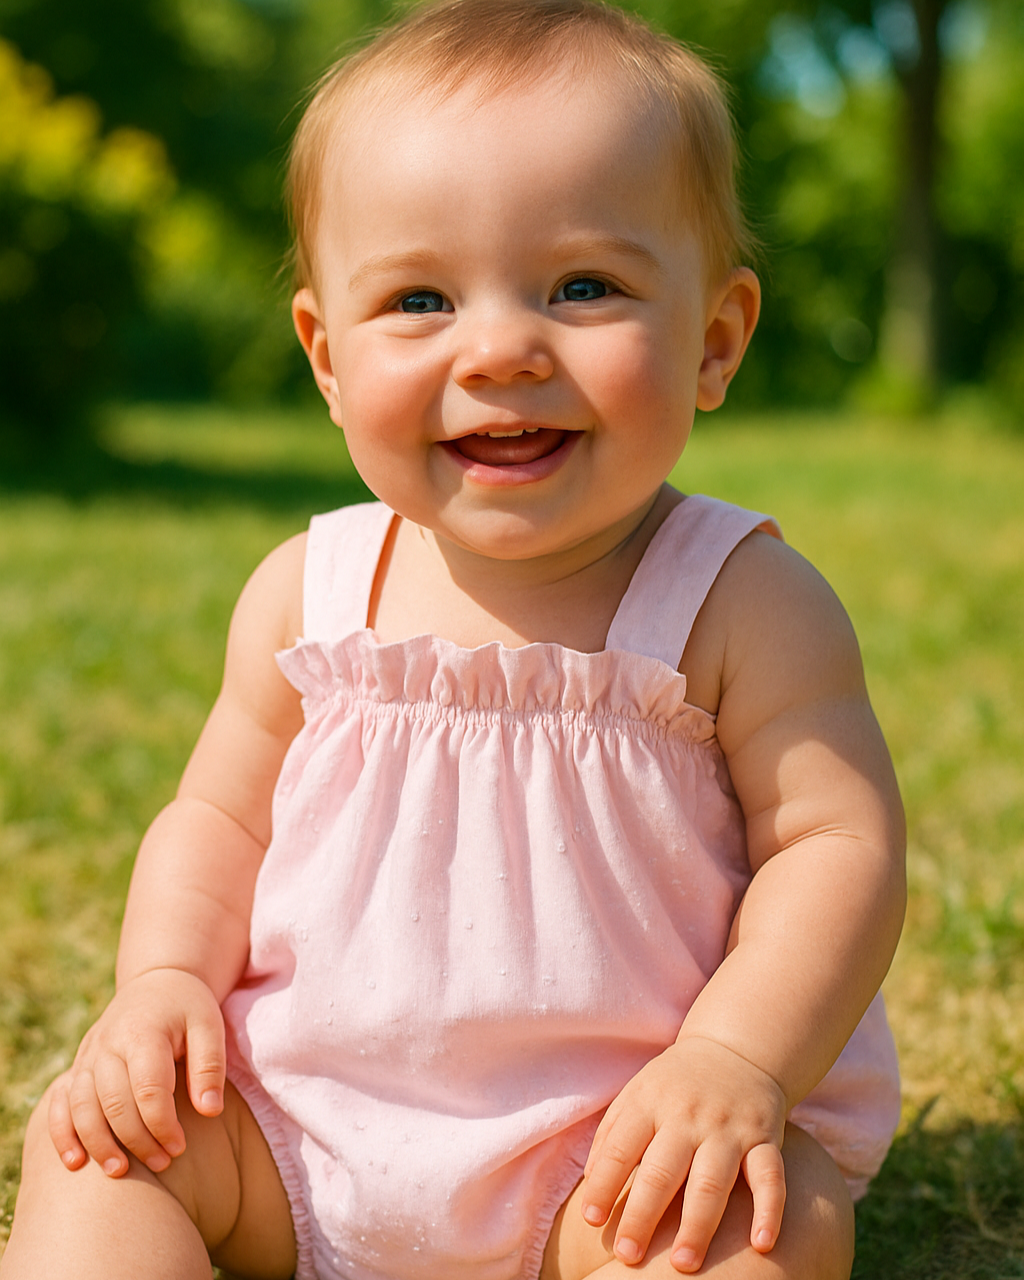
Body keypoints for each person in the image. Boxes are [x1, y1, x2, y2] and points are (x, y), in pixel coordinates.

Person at [0, 0, 906, 1276]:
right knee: (98, 1148)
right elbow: (216, 823)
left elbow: (836, 848)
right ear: (326, 357)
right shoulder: (308, 593)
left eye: (583, 287)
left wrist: (733, 1056)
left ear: (714, 338)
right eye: (419, 298)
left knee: (765, 1223)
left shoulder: (741, 601)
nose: (499, 349)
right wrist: (162, 980)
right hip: (290, 1130)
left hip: (624, 1156)